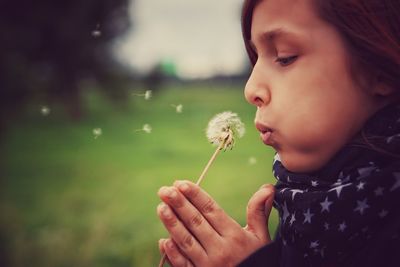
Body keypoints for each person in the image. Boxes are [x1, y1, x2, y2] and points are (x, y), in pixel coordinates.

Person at [156, 0, 400, 266]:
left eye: (285, 57)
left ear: (379, 66)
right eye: (255, 59)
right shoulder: (306, 204)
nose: (250, 89)